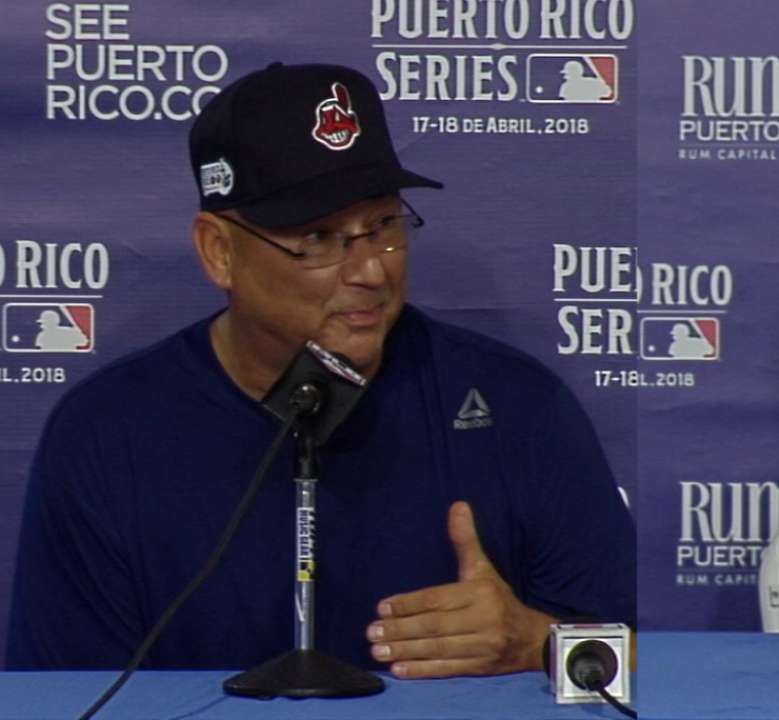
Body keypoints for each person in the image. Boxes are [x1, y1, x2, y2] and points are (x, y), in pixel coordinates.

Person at [5, 62, 636, 677]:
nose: (371, 270)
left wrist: (537, 644)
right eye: (319, 238)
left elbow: (649, 662)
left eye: (384, 225)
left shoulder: (517, 405)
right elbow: (61, 694)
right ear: (219, 252)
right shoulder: (107, 435)